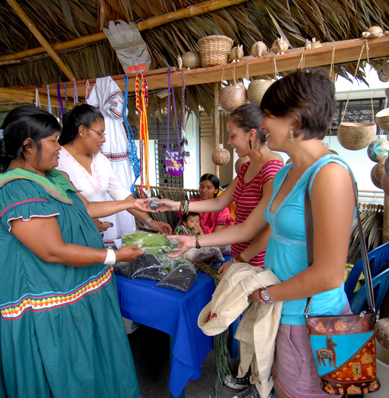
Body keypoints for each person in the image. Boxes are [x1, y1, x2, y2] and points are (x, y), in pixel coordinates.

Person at [166, 69, 355, 398]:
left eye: (268, 115)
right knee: (280, 386)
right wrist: (193, 241)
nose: (263, 125)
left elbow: (329, 275)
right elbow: (249, 227)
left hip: (313, 318)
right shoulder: (285, 174)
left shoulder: (330, 176)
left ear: (293, 119)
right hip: (282, 310)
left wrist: (266, 294)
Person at [0, 105, 150, 398]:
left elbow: (83, 209)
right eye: (52, 140)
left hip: (76, 289)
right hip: (46, 300)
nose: (59, 146)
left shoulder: (53, 176)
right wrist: (114, 256)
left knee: (86, 362)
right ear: (28, 146)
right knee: (62, 371)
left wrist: (129, 204)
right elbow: (54, 251)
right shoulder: (14, 190)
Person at [158, 104, 282, 273]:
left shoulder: (271, 172)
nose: (229, 142)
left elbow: (270, 229)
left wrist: (239, 260)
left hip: (258, 263)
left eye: (232, 135)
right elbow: (219, 202)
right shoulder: (246, 168)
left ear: (251, 135)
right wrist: (178, 205)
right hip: (240, 257)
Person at [56, 104, 172, 245]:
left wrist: (150, 222)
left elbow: (120, 194)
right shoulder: (56, 160)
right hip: (68, 240)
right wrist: (86, 222)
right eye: (100, 134)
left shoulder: (100, 159)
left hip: (95, 237)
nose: (103, 139)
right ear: (82, 131)